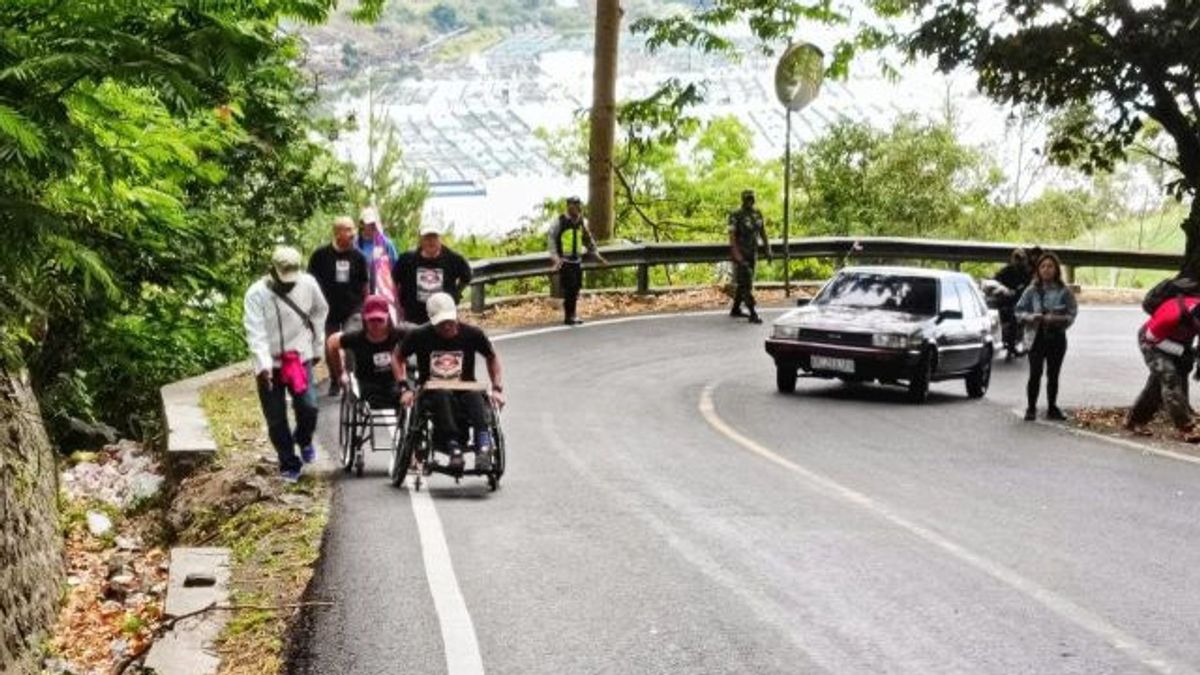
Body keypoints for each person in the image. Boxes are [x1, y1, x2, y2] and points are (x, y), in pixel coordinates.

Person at [243, 246, 329, 482]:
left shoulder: (308, 284)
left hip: (299, 357)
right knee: (276, 416)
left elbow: (320, 311)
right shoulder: (256, 294)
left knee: (309, 406)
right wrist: (263, 365)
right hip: (270, 361)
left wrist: (316, 346)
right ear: (273, 270)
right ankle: (288, 461)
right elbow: (255, 331)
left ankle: (303, 438)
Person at [397, 293, 504, 472]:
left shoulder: (473, 334)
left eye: (450, 321)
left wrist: (498, 388)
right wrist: (404, 387)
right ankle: (453, 446)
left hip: (465, 387)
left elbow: (492, 357)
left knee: (475, 396)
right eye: (441, 323)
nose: (447, 326)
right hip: (431, 392)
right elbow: (397, 357)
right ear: (431, 320)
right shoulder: (419, 335)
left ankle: (483, 446)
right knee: (442, 394)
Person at [308, 216, 369, 397]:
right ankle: (336, 378)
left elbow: (365, 285)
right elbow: (310, 282)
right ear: (337, 233)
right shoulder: (320, 256)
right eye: (348, 230)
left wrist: (363, 308)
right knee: (330, 344)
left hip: (353, 308)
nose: (353, 234)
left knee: (351, 341)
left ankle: (351, 378)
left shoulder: (359, 257)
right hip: (327, 309)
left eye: (353, 229)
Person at [1126, 292, 1200, 442]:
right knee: (1169, 378)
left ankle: (1135, 421)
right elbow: (1151, 339)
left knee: (1156, 385)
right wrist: (1183, 352)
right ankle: (1186, 427)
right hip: (1153, 341)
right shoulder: (1171, 316)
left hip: (1179, 342)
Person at [1015, 252, 1077, 421]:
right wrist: (1031, 317)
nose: (1046, 269)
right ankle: (1031, 408)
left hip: (1057, 337)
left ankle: (1052, 407)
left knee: (1053, 374)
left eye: (1050, 266)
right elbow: (1018, 311)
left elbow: (1072, 314)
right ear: (1038, 270)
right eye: (1043, 266)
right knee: (1035, 373)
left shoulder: (1064, 292)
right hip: (1036, 337)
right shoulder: (1031, 290)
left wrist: (1056, 319)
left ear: (1056, 269)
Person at [326, 295, 411, 408]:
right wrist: (340, 373)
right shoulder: (356, 337)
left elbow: (423, 333)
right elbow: (332, 342)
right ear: (364, 319)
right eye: (371, 320)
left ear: (387, 317)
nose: (376, 325)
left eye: (380, 320)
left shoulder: (399, 333)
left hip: (394, 384)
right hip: (367, 386)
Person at [393, 223, 472, 325]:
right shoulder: (407, 260)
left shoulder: (453, 259)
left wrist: (455, 294)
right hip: (414, 317)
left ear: (440, 239)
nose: (431, 241)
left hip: (443, 316)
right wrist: (399, 304)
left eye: (434, 237)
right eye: (427, 238)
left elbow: (466, 277)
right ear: (421, 240)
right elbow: (394, 281)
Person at [548, 196, 608, 325]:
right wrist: (555, 258)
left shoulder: (581, 222)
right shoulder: (560, 221)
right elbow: (552, 239)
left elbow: (588, 240)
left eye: (577, 205)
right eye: (573, 205)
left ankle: (572, 314)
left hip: (577, 261)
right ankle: (569, 316)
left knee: (576, 288)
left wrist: (597, 255)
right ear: (568, 206)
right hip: (565, 261)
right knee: (569, 288)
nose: (576, 207)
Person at [728, 189, 773, 324]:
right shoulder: (735, 215)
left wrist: (768, 250)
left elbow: (763, 233)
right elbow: (732, 239)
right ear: (742, 200)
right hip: (740, 255)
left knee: (744, 283)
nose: (749, 201)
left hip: (753, 254)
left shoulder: (757, 214)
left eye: (751, 198)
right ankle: (753, 312)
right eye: (747, 199)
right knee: (746, 284)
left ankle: (735, 309)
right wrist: (738, 257)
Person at [356, 206, 400, 306]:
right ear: (362, 224)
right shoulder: (355, 244)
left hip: (382, 294)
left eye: (375, 223)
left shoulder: (386, 244)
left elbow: (396, 269)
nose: (373, 226)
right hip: (361, 294)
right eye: (370, 224)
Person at [993, 248, 1031, 359]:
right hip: (1005, 299)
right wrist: (993, 284)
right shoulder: (1007, 270)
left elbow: (1028, 286)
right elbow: (996, 278)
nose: (1018, 261)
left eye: (1020, 259)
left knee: (1014, 316)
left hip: (1020, 301)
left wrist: (1018, 290)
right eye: (1016, 258)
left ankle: (1012, 345)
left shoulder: (1026, 273)